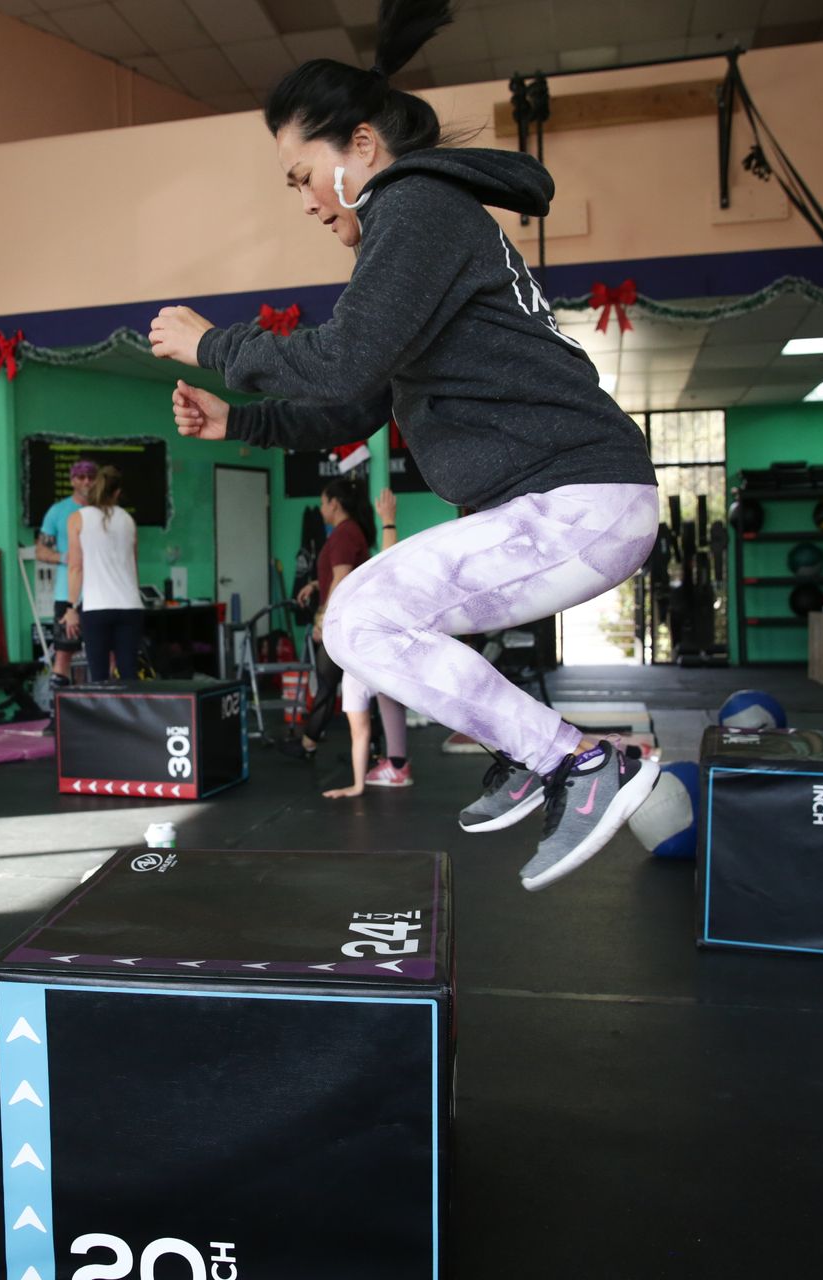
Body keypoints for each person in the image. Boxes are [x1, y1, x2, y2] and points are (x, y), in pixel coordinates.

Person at [149, 0, 660, 891]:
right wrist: (240, 422)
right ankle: (529, 751)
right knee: (382, 622)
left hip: (579, 501)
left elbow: (345, 354)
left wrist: (215, 346)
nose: (305, 200)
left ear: (363, 147)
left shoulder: (417, 205)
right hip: (565, 507)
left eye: (303, 174)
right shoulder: (417, 226)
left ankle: (578, 763)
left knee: (358, 618)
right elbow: (355, 398)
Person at [324, 486, 417, 797]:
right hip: (388, 649)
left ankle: (397, 766)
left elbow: (359, 734)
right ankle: (397, 765)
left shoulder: (351, 672)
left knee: (382, 704)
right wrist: (388, 521)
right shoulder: (356, 663)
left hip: (380, 648)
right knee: (389, 698)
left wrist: (356, 786)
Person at [288, 475, 375, 759]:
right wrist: (315, 584)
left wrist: (321, 619)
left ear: (334, 504)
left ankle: (309, 742)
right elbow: (339, 573)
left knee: (326, 682)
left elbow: (342, 576)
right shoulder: (348, 532)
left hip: (344, 623)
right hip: (349, 620)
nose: (321, 507)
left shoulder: (343, 533)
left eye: (324, 502)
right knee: (339, 683)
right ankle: (369, 748)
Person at [62, 466, 142, 683]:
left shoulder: (77, 518)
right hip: (130, 606)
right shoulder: (128, 520)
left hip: (97, 607)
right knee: (128, 674)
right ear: (117, 493)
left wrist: (70, 607)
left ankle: (103, 716)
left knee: (99, 677)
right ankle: (132, 717)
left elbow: (75, 567)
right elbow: (133, 565)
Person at [36, 460, 97, 688]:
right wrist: (64, 557)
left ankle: (109, 714)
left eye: (91, 477)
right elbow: (41, 550)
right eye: (81, 477)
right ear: (72, 480)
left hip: (100, 593)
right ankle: (58, 716)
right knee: (63, 653)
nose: (87, 482)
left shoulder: (104, 510)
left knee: (107, 653)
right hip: (67, 594)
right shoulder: (58, 511)